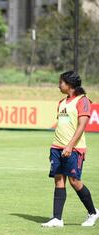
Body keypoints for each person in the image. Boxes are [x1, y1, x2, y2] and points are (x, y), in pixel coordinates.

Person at [42, 71, 99, 227]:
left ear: (69, 85)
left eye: (61, 83)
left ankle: (93, 213)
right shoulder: (61, 102)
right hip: (57, 147)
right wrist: (55, 148)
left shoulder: (83, 101)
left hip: (74, 149)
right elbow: (62, 125)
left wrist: (70, 145)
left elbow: (82, 125)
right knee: (58, 180)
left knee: (75, 182)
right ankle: (57, 219)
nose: (58, 85)